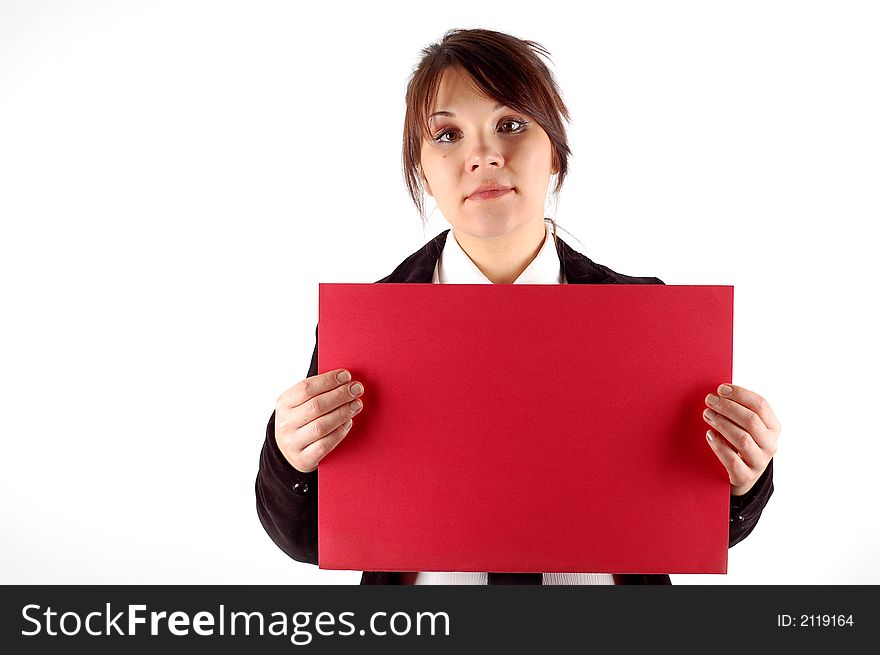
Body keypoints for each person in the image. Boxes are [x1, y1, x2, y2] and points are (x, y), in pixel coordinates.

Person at [255, 28, 780, 585]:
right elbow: (305, 535)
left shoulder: (647, 321)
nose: (482, 155)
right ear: (422, 171)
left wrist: (745, 476)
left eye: (511, 125)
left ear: (554, 151)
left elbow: (697, 530)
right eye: (448, 135)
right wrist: (291, 455)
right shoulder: (368, 328)